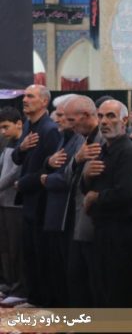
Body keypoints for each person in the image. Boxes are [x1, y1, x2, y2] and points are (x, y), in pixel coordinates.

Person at [82, 100, 132, 306]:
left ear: (124, 120)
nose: (103, 122)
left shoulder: (129, 152)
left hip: (122, 234)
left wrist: (96, 197)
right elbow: (88, 187)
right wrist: (86, 176)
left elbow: (127, 194)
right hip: (102, 230)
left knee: (120, 294)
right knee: (103, 290)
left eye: (110, 116)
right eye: (100, 116)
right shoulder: (102, 150)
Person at [12, 85, 61, 306]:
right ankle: (34, 298)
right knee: (30, 252)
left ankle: (45, 301)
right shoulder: (28, 126)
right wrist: (21, 148)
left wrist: (24, 183)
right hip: (29, 200)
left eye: (30, 96)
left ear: (44, 101)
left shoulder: (49, 129)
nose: (25, 99)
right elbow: (17, 158)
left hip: (42, 201)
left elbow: (51, 167)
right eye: (24, 96)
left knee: (42, 254)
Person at [40, 94, 84, 306]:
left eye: (61, 115)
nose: (56, 119)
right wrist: (48, 164)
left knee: (70, 270)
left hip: (68, 213)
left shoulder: (79, 140)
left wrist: (47, 178)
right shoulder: (63, 137)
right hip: (55, 210)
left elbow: (71, 176)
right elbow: (53, 164)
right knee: (57, 266)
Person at [62, 95, 103, 307]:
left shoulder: (103, 140)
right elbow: (67, 176)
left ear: (86, 115)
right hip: (77, 221)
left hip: (93, 223)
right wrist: (77, 159)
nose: (69, 125)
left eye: (72, 120)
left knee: (93, 282)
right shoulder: (83, 140)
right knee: (76, 278)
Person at [0, 107, 25, 305]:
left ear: (18, 124)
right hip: (3, 201)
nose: (3, 131)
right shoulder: (8, 143)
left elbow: (14, 173)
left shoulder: (23, 144)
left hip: (15, 203)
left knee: (17, 248)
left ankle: (19, 287)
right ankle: (8, 284)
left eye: (6, 127)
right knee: (5, 247)